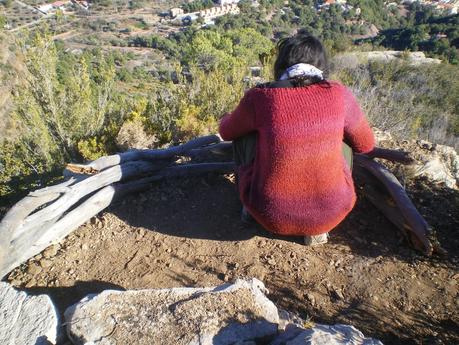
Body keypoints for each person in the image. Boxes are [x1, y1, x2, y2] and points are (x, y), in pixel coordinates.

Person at [218, 32, 375, 245]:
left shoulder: (261, 98)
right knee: (344, 138)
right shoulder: (340, 95)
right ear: (321, 64)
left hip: (269, 213)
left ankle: (249, 205)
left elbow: (226, 132)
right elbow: (365, 144)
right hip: (332, 212)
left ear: (281, 64)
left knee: (244, 134)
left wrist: (229, 117)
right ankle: (316, 226)